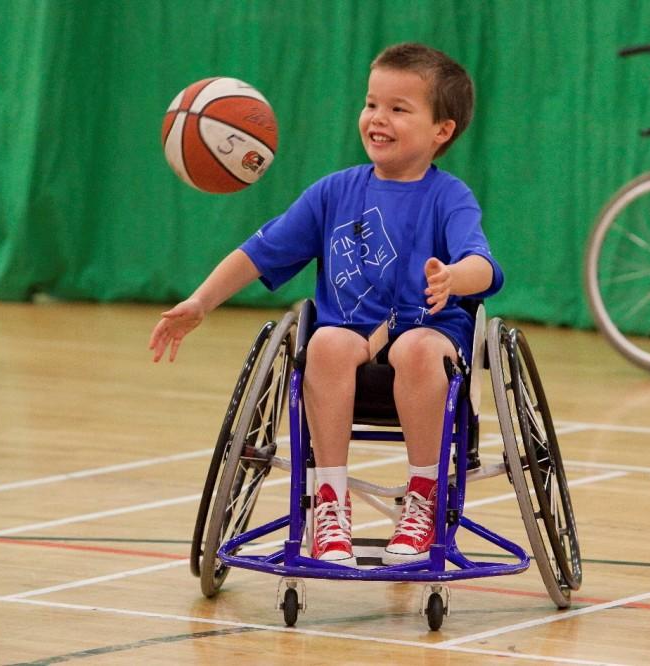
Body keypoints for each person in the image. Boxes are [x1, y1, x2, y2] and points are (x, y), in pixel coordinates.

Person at [150, 42, 503, 567]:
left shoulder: (449, 197)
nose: (377, 119)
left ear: (442, 131)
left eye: (398, 109)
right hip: (352, 339)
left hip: (427, 339)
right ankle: (330, 502)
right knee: (326, 343)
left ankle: (424, 495)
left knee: (419, 350)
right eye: (371, 104)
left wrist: (453, 277)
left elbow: (486, 267)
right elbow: (259, 251)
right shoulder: (333, 192)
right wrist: (201, 302)